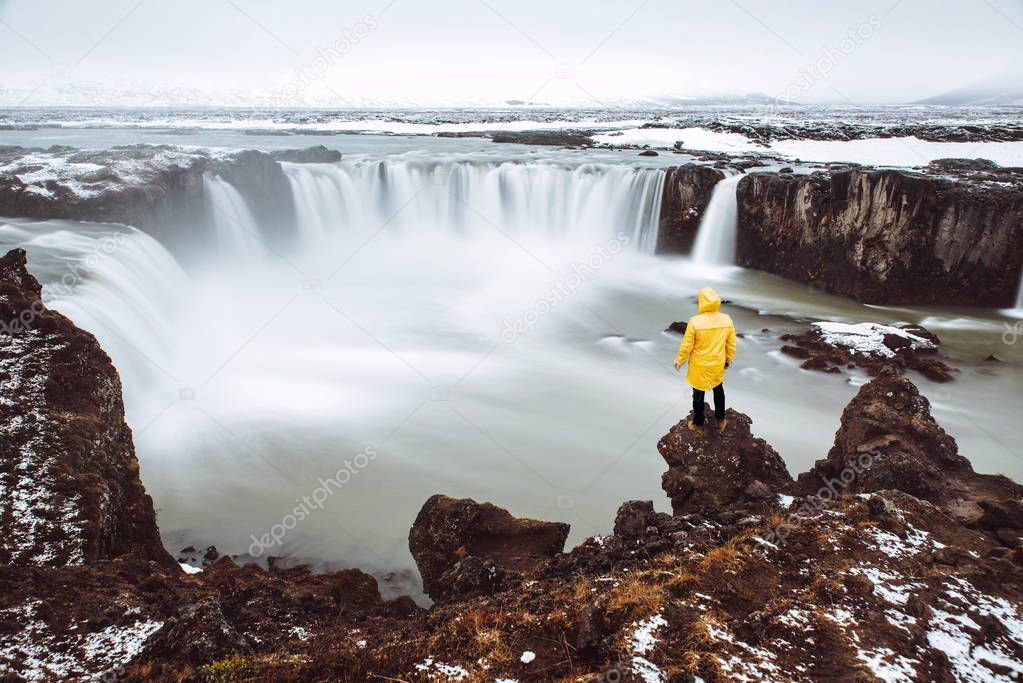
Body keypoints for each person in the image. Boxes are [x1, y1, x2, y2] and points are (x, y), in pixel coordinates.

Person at [673, 287, 736, 435]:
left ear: (701, 302)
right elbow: (731, 343)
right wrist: (728, 358)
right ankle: (720, 421)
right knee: (719, 390)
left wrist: (679, 360)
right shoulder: (726, 319)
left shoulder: (695, 322)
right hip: (717, 363)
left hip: (699, 366)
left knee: (698, 395)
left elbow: (687, 345)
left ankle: (698, 425)